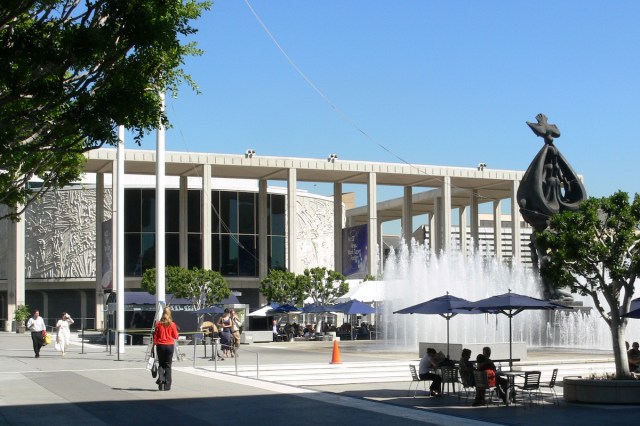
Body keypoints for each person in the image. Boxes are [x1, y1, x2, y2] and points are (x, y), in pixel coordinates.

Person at [153, 307, 179, 391]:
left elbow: (155, 336)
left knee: (161, 364)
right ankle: (167, 386)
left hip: (160, 345)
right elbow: (175, 336)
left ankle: (161, 379)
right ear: (169, 313)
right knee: (168, 365)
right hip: (169, 345)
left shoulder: (158, 324)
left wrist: (153, 345)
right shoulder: (172, 324)